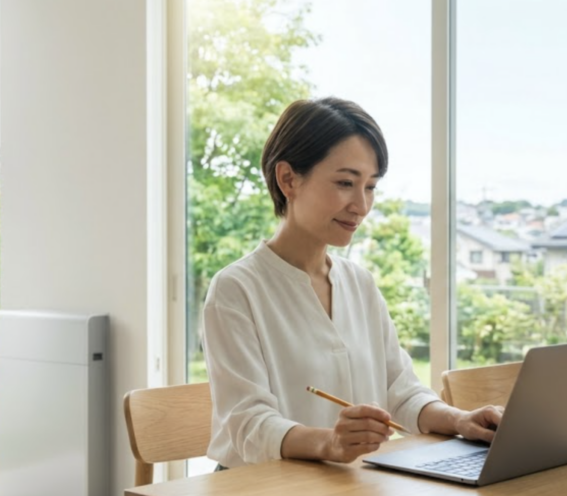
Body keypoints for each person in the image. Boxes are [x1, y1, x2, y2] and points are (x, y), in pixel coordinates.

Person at [202, 97, 503, 469]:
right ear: (288, 179)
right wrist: (330, 443)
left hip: (349, 482)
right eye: (345, 182)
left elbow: (402, 393)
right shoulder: (236, 289)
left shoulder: (359, 283)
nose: (360, 205)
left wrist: (460, 420)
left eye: (371, 186)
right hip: (263, 486)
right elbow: (248, 424)